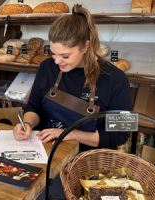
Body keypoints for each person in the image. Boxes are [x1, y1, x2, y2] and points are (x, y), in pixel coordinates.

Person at [13, 4, 133, 152]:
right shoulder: (47, 67)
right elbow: (34, 107)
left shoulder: (116, 79)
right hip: (49, 152)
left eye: (65, 56)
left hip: (90, 159)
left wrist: (72, 134)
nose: (57, 61)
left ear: (85, 46)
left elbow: (122, 134)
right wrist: (27, 124)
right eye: (53, 53)